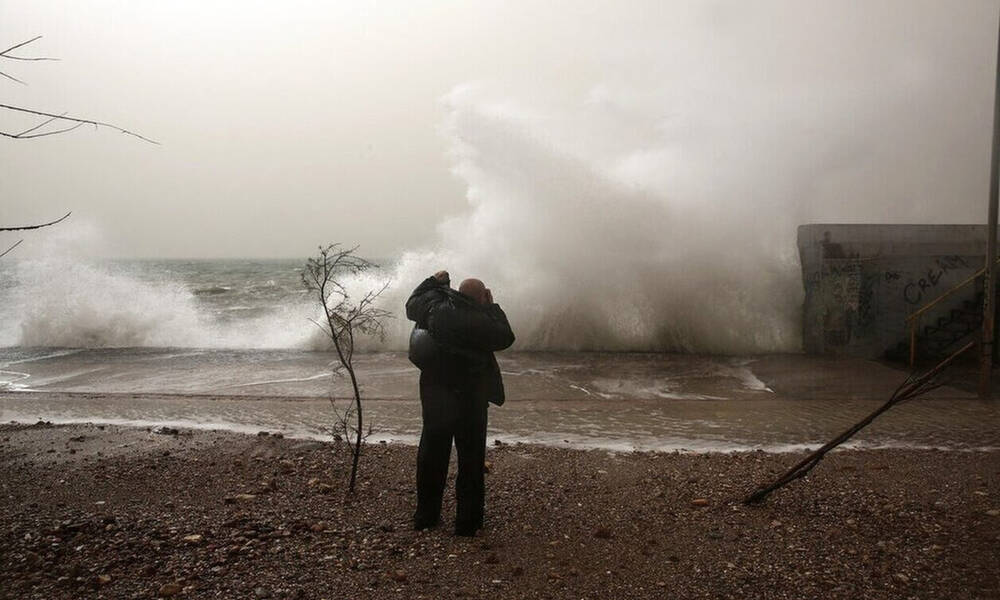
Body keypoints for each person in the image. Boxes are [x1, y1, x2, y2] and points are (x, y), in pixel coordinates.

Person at [405, 270, 515, 536]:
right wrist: (493, 306)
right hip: (470, 398)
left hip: (435, 396)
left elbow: (412, 303)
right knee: (470, 460)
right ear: (481, 297)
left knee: (432, 455)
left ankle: (426, 517)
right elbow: (505, 336)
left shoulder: (434, 307)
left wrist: (434, 282)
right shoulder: (481, 320)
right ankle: (467, 523)